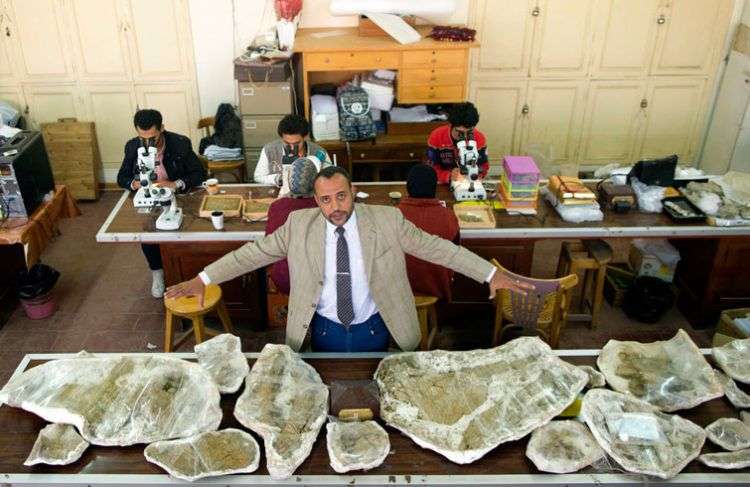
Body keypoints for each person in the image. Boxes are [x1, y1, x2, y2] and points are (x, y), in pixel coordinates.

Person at [166, 166, 531, 353]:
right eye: (325, 200)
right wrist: (205, 277)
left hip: (376, 327)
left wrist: (488, 273)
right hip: (321, 329)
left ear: (352, 193)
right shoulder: (298, 224)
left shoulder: (387, 220)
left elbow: (439, 248)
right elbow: (253, 253)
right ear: (316, 200)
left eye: (341, 197)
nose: (335, 207)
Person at [117, 109, 206, 298]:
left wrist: (175, 184)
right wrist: (135, 184)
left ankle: (184, 269)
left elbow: (198, 174)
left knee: (183, 231)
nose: (148, 144)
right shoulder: (133, 147)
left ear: (162, 129)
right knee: (147, 233)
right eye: (143, 138)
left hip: (179, 197)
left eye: (153, 138)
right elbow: (121, 177)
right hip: (151, 197)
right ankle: (157, 273)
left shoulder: (180, 143)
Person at [398, 164, 460, 301]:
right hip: (437, 288)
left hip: (399, 292)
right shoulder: (448, 217)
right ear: (434, 188)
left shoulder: (393, 215)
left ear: (408, 188)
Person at [265, 157, 320, 295]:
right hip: (319, 280)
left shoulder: (277, 207)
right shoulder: (326, 206)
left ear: (289, 181)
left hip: (286, 279)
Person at [254, 114, 332, 185]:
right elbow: (258, 177)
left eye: (296, 144)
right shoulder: (269, 150)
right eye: (287, 143)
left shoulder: (319, 152)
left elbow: (330, 178)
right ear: (281, 137)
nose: (291, 148)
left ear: (305, 137)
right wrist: (279, 178)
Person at [426, 102, 489, 185]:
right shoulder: (437, 136)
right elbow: (430, 168)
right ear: (452, 125)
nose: (465, 136)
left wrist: (476, 175)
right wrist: (448, 176)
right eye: (460, 132)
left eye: (469, 132)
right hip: (442, 183)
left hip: (468, 182)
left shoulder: (479, 138)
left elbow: (484, 166)